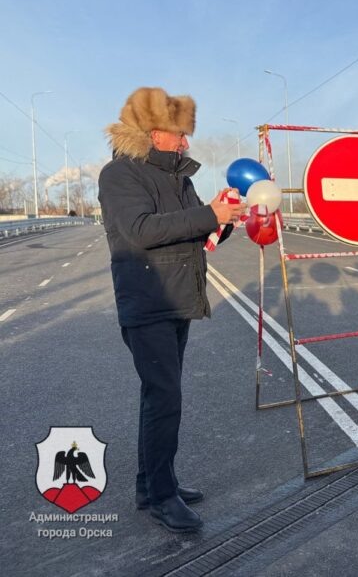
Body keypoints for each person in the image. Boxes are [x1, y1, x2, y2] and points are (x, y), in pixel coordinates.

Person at [98, 87, 245, 532]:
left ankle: (153, 484)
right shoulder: (119, 174)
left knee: (158, 397)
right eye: (180, 134)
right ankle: (162, 496)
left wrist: (226, 217)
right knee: (165, 400)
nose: (186, 143)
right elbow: (141, 230)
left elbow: (197, 233)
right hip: (148, 302)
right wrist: (208, 215)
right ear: (152, 131)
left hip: (177, 299)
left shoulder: (180, 178)